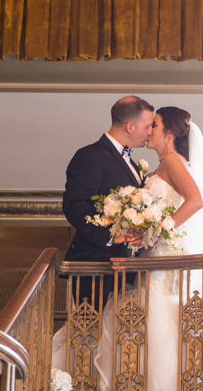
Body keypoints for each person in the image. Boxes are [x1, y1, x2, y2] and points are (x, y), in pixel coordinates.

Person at [97, 106, 203, 391]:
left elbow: (196, 200)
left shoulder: (171, 160)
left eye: (154, 124)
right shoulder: (157, 167)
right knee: (147, 326)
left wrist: (158, 231)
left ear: (168, 132)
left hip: (164, 260)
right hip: (150, 260)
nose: (148, 129)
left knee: (160, 327)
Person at [52, 96, 154, 372]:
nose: (151, 131)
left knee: (115, 341)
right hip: (95, 266)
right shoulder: (90, 155)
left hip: (125, 269)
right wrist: (113, 236)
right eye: (148, 125)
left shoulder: (134, 163)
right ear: (130, 126)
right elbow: (74, 206)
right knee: (89, 338)